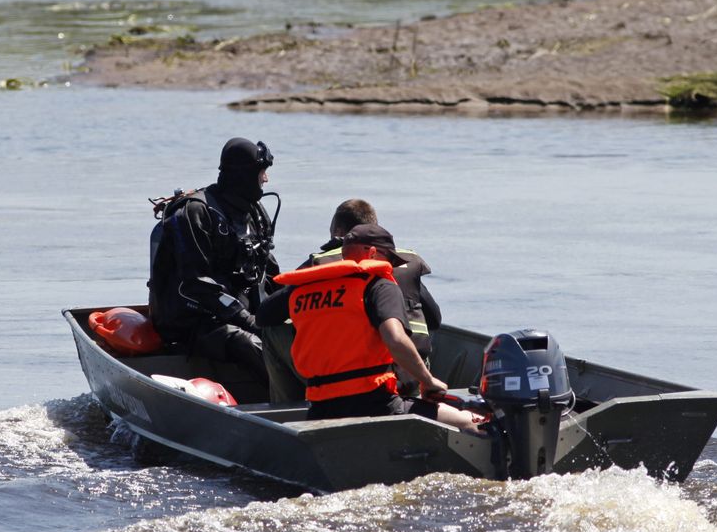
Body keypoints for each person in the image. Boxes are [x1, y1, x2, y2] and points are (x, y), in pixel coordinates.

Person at [256, 223, 484, 430]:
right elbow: (395, 338)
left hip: (321, 409)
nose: (392, 268)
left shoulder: (302, 291)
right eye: (391, 261)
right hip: (377, 405)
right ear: (372, 253)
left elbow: (263, 317)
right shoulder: (379, 286)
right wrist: (428, 380)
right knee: (470, 422)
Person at [148, 138, 279, 383]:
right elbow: (196, 283)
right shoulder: (194, 213)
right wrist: (248, 321)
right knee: (250, 344)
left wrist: (290, 311)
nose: (266, 179)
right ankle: (297, 401)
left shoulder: (254, 213)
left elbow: (269, 274)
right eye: (262, 172)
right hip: (195, 324)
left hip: (243, 317)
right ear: (245, 175)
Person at [301, 198, 441, 368]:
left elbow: (272, 312)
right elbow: (434, 320)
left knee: (275, 332)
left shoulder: (322, 263)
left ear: (338, 232)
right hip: (412, 370)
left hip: (358, 370)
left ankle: (287, 395)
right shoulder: (404, 262)